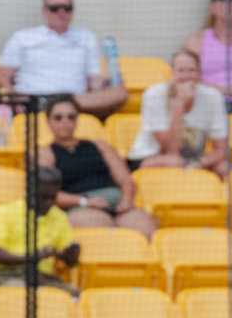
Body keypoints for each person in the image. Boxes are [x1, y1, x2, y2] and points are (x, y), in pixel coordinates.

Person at [0, 0, 125, 118]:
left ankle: (59, 108)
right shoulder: (23, 37)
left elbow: (93, 79)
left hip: (74, 100)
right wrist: (14, 97)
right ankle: (51, 108)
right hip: (34, 97)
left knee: (119, 93)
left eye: (67, 8)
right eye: (55, 8)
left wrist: (105, 83)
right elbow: (1, 74)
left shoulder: (86, 37)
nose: (61, 13)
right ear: (44, 10)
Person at [38, 96, 157, 236]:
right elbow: (47, 194)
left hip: (116, 201)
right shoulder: (45, 153)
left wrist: (126, 200)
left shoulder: (100, 146)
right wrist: (84, 201)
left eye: (71, 117)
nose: (65, 122)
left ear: (77, 120)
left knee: (144, 228)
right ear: (48, 121)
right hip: (80, 206)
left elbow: (126, 180)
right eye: (58, 117)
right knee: (103, 231)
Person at [130, 49, 231, 175]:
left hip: (192, 157)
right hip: (151, 156)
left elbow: (221, 149)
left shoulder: (213, 96)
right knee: (174, 162)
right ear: (172, 73)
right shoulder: (154, 95)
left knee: (224, 167)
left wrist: (200, 163)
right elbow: (170, 150)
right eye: (181, 71)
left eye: (191, 70)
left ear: (200, 74)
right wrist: (179, 105)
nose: (186, 76)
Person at [0, 168, 81, 295]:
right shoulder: (5, 212)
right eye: (44, 197)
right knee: (21, 292)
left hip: (43, 277)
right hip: (5, 275)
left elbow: (68, 261)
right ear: (29, 192)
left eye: (53, 198)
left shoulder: (59, 217)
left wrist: (70, 256)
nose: (49, 203)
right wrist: (34, 257)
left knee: (73, 295)